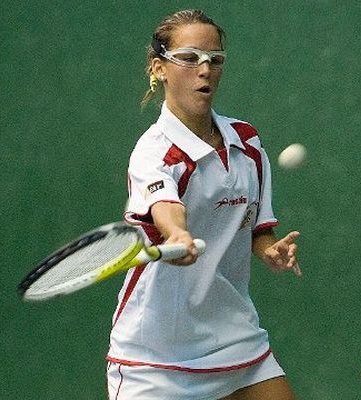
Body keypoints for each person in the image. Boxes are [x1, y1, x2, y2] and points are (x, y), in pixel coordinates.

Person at [105, 9, 300, 400]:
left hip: (234, 336)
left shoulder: (247, 143)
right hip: (156, 355)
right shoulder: (153, 152)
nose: (205, 69)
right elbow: (165, 208)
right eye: (190, 58)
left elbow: (255, 227)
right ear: (159, 68)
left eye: (215, 59)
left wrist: (270, 250)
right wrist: (177, 235)